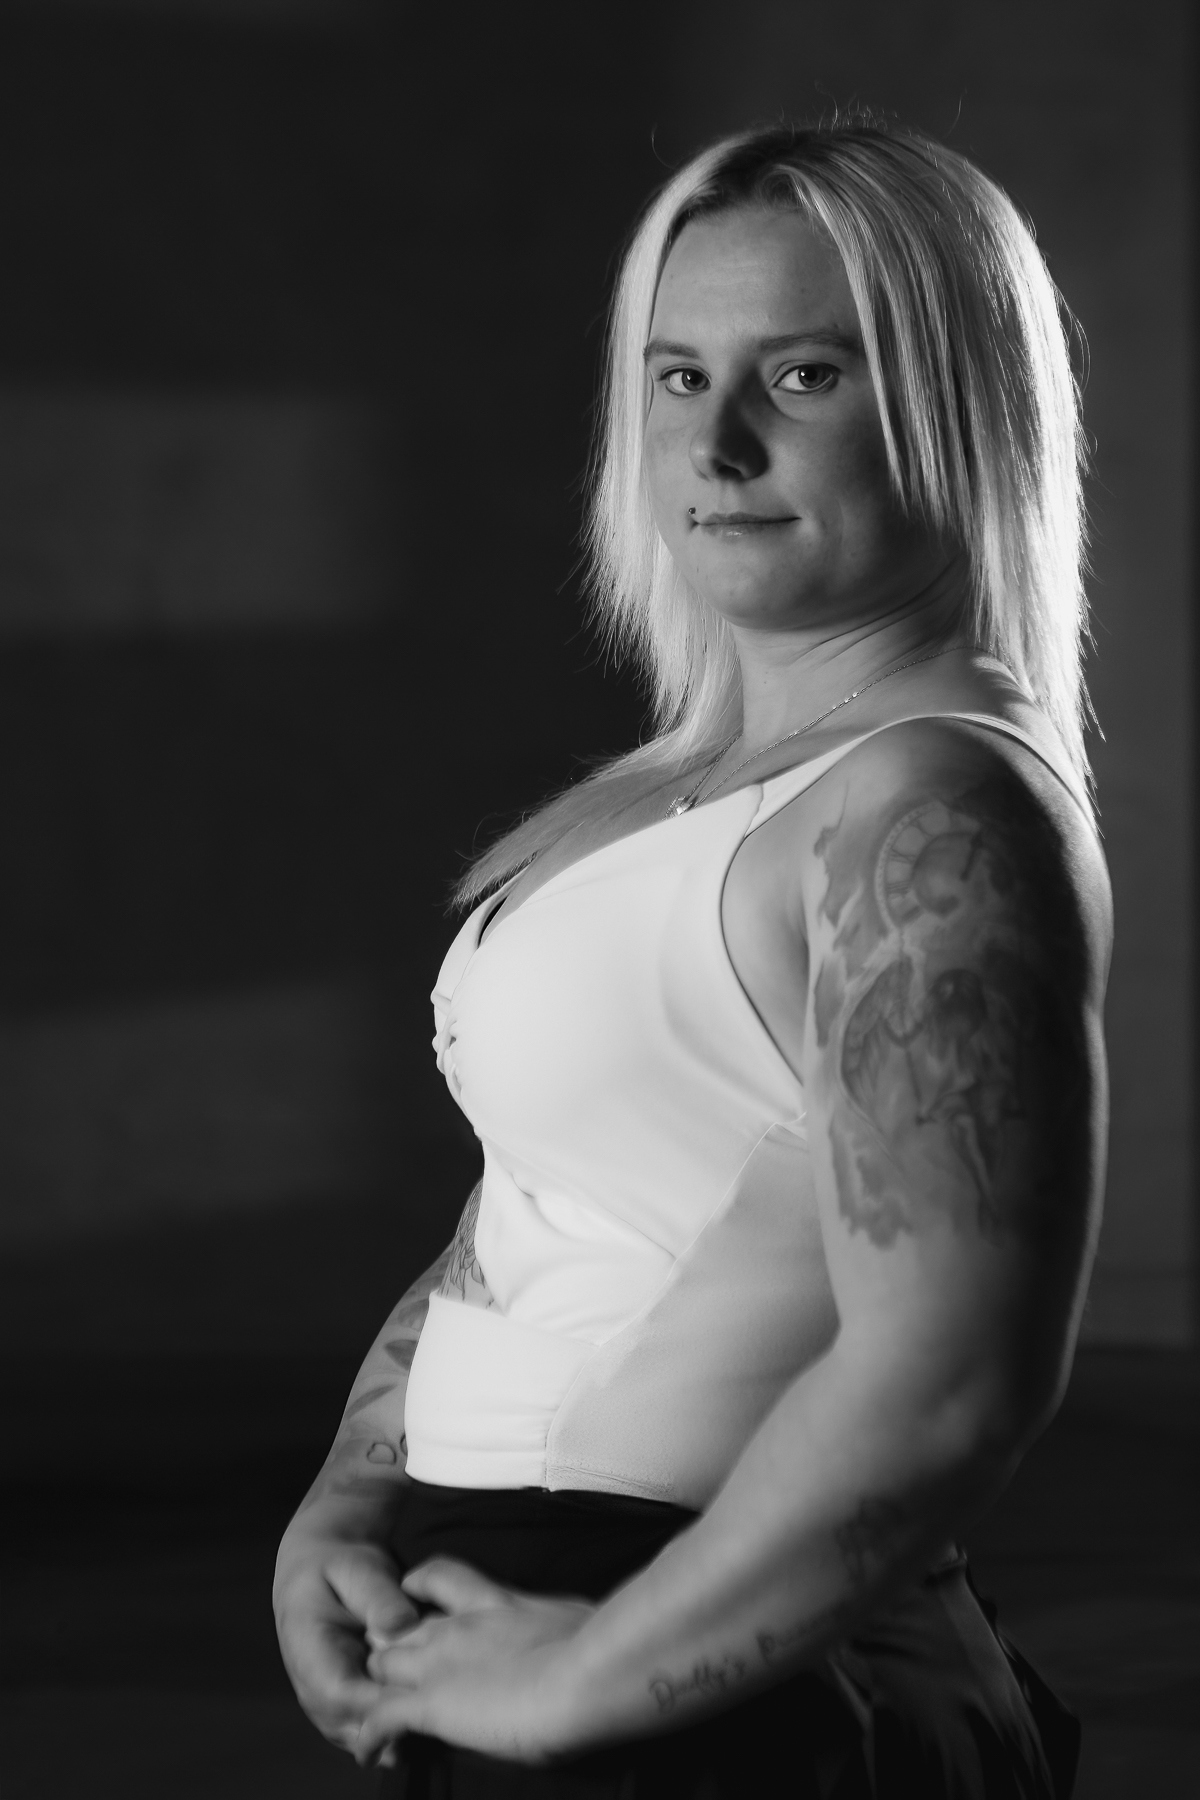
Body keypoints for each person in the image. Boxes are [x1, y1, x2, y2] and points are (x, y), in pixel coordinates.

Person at [274, 120, 1111, 1797]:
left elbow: (951, 1383)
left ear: (959, 407)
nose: (717, 443)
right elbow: (539, 1201)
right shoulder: (703, 792)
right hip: (546, 1627)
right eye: (677, 377)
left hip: (717, 1681)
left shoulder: (927, 808)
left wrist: (581, 1685)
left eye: (802, 375)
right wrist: (345, 1504)